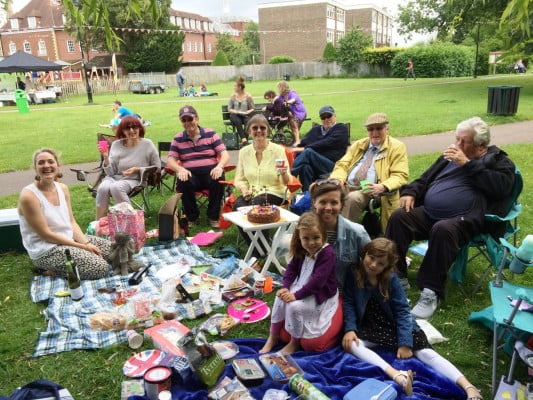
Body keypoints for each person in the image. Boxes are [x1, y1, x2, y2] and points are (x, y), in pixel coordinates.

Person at [385, 116, 515, 319]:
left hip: (464, 219)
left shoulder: (500, 162)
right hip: (429, 213)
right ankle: (396, 275)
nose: (457, 145)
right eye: (457, 139)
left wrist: (467, 165)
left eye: (464, 141)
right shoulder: (449, 156)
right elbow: (424, 178)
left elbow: (500, 188)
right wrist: (410, 192)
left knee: (443, 229)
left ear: (481, 145)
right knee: (399, 217)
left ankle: (430, 292)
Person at [342, 238, 482, 399]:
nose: (373, 265)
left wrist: (405, 343)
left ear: (387, 266)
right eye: (371, 258)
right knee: (352, 344)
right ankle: (397, 375)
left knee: (425, 353)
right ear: (364, 253)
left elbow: (403, 311)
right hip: (370, 324)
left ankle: (468, 386)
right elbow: (349, 302)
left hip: (396, 324)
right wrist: (350, 329)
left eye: (380, 263)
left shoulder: (391, 279)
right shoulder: (354, 273)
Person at [18, 148, 111, 280]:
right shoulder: (29, 196)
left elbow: (71, 222)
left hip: (67, 239)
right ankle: (47, 269)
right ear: (35, 168)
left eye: (50, 161)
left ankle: (77, 259)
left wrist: (86, 243)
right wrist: (82, 246)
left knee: (116, 252)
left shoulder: (62, 188)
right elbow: (46, 235)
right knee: (100, 268)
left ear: (57, 165)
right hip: (47, 249)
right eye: (41, 163)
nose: (46, 166)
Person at [259, 212, 343, 355]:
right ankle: (273, 337)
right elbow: (290, 270)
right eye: (306, 238)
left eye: (316, 237)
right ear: (300, 238)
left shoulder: (327, 253)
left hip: (319, 293)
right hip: (302, 285)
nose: (311, 243)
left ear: (323, 235)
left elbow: (318, 281)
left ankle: (294, 343)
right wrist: (285, 287)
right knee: (280, 299)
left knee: (294, 307)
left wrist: (296, 296)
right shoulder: (301, 249)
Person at [329, 113, 408, 234]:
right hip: (347, 184)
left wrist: (383, 186)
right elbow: (342, 164)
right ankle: (323, 228)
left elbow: (400, 175)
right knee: (323, 190)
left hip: (371, 189)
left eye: (379, 128)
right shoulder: (360, 144)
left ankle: (343, 236)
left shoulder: (397, 147)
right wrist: (337, 179)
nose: (374, 132)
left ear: (387, 128)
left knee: (352, 199)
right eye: (371, 129)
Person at [233, 114, 291, 249]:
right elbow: (240, 178)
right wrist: (244, 190)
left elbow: (286, 181)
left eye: (263, 127)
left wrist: (283, 173)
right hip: (252, 193)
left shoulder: (278, 150)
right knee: (237, 206)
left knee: (257, 204)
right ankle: (257, 248)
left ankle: (262, 250)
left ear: (268, 131)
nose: (259, 131)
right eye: (255, 128)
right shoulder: (244, 152)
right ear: (249, 131)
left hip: (275, 192)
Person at [166, 105, 229, 228]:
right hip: (191, 174)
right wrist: (180, 169)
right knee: (183, 180)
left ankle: (213, 216)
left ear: (197, 119)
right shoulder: (178, 138)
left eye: (190, 119)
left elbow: (224, 154)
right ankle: (192, 217)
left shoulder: (210, 134)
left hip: (210, 172)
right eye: (184, 120)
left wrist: (220, 166)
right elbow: (170, 159)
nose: (187, 123)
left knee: (219, 178)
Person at [309, 180, 370, 292]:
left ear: (342, 205)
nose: (328, 207)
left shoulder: (357, 232)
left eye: (334, 203)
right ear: (314, 203)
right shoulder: (304, 230)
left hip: (344, 294)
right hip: (311, 291)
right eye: (323, 202)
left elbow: (373, 264)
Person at [95, 116, 160, 219]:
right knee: (103, 188)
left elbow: (157, 167)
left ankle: (131, 221)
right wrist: (106, 157)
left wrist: (138, 169)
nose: (131, 130)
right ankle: (99, 223)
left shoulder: (147, 144)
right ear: (123, 131)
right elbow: (111, 173)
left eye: (134, 127)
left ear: (139, 128)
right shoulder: (116, 144)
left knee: (116, 187)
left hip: (135, 179)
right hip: (114, 177)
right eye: (127, 128)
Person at [291, 105, 350, 191]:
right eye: (323, 117)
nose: (326, 119)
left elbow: (327, 142)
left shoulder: (341, 128)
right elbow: (302, 143)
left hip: (333, 166)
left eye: (329, 116)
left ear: (335, 116)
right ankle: (307, 197)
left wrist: (302, 149)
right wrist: (295, 150)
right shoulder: (315, 130)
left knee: (308, 152)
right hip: (315, 164)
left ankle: (289, 176)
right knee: (305, 167)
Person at [277, 80, 307, 145]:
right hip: (292, 113)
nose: (278, 89)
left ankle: (297, 141)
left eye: (279, 88)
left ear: (283, 88)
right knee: (290, 120)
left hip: (299, 112)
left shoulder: (292, 93)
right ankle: (296, 140)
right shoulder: (281, 96)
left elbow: (293, 99)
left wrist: (288, 102)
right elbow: (277, 101)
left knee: (293, 122)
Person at [228, 76, 255, 146]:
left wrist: (248, 112)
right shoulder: (233, 96)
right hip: (235, 114)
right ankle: (244, 139)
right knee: (238, 121)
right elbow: (229, 108)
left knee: (248, 122)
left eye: (235, 86)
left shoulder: (248, 96)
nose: (234, 88)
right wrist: (236, 111)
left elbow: (252, 108)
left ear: (239, 87)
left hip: (245, 114)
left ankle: (245, 141)